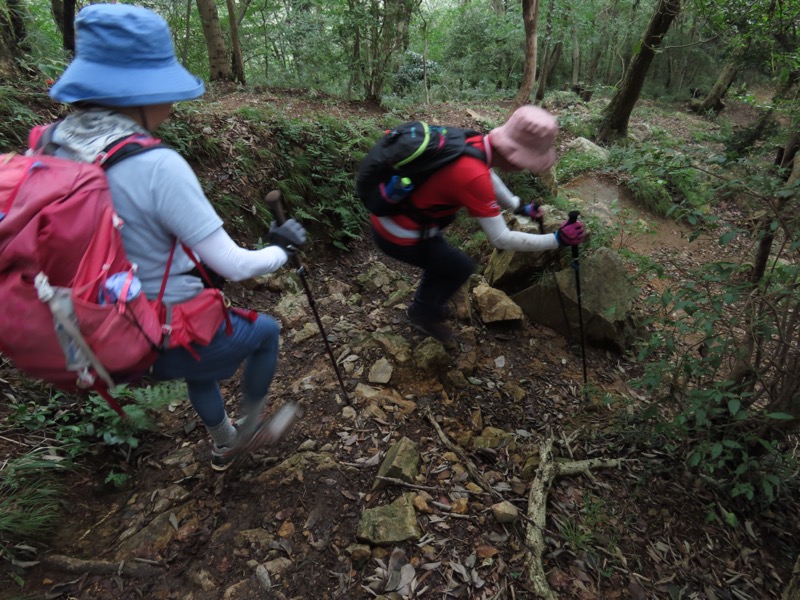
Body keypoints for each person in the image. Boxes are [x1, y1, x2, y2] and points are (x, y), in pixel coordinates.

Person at [47, 4, 307, 471]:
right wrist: (281, 250)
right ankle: (248, 425)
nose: (172, 103)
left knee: (196, 363)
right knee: (266, 332)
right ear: (135, 93)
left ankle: (223, 440)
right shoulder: (155, 165)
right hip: (158, 327)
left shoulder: (50, 146)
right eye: (165, 89)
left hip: (89, 331)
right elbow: (235, 265)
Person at [369, 105, 586, 342]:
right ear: (515, 158)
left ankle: (424, 305)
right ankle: (422, 312)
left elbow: (487, 174)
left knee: (443, 260)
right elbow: (501, 238)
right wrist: (557, 239)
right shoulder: (472, 175)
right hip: (397, 232)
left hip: (398, 217)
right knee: (459, 266)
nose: (525, 167)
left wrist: (518, 206)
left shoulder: (472, 141)